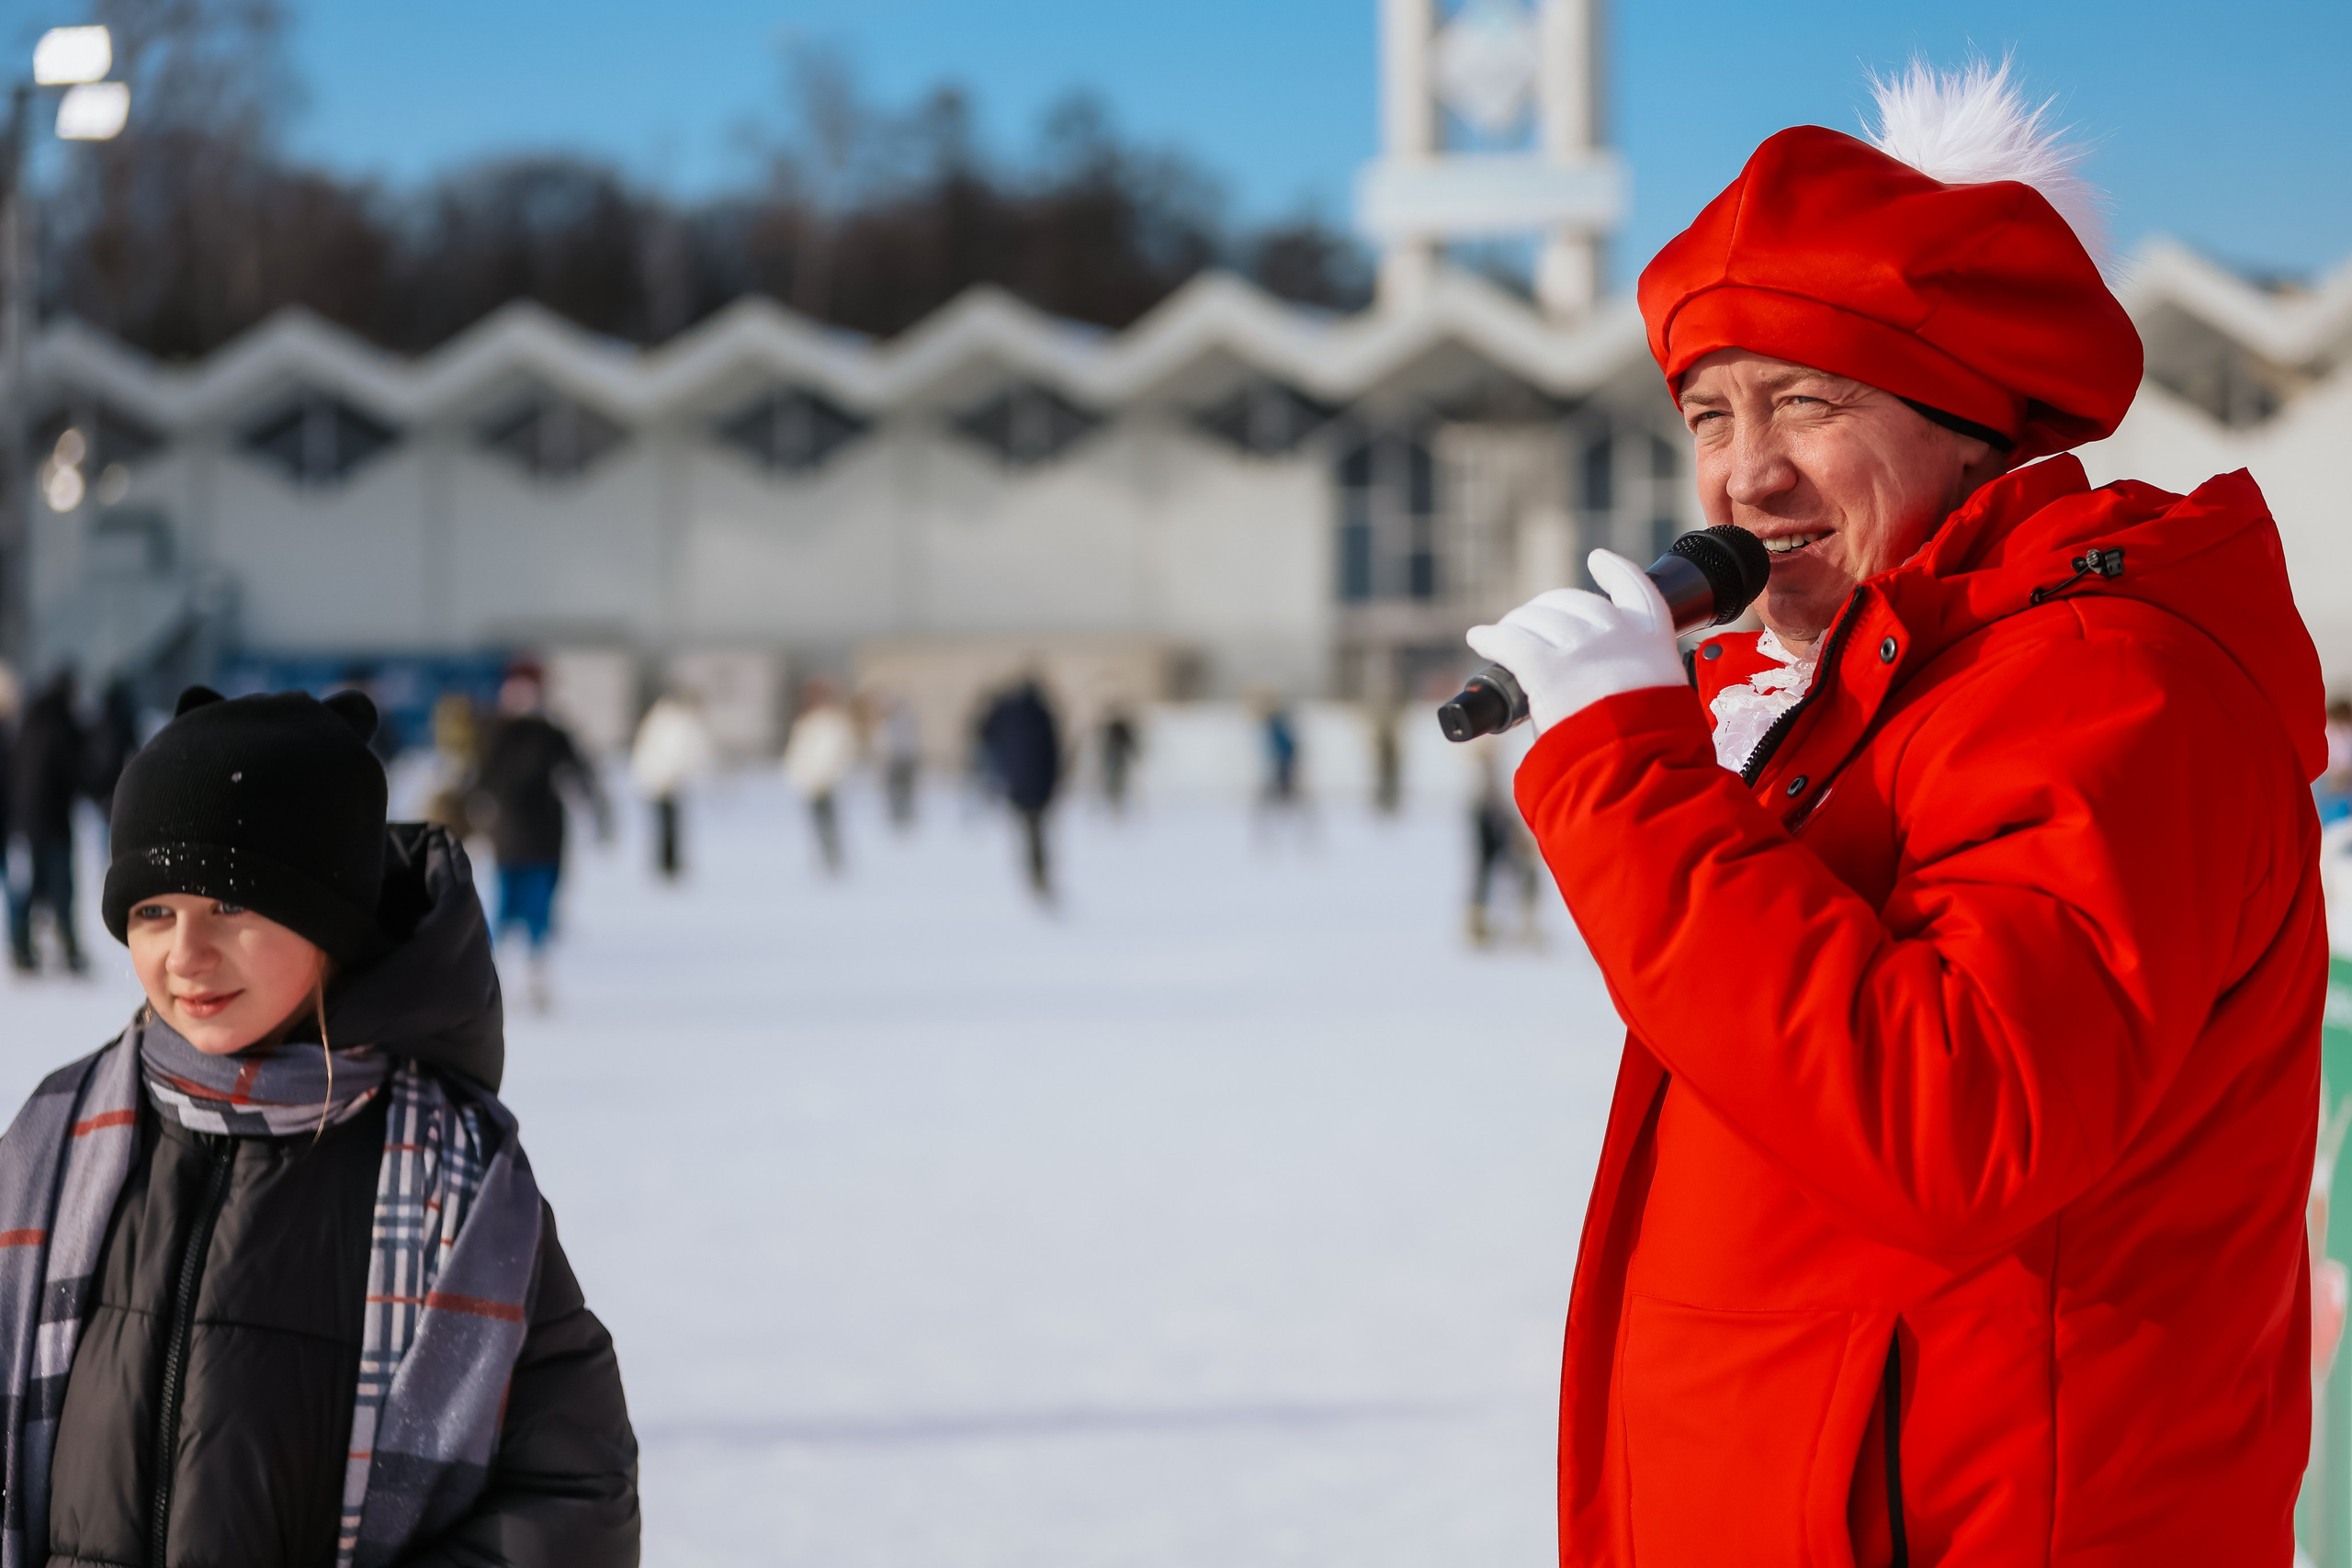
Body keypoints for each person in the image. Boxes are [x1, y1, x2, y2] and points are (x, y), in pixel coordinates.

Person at [1464, 64, 2324, 1562]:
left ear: (1975, 425)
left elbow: (1957, 1127)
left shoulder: (2100, 687)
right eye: (1709, 412)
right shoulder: (1843, 688)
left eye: (1810, 399)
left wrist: (1624, 776)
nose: (1746, 472)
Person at [0, 685, 639, 1566]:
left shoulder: (452, 1180)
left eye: (233, 905)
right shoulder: (55, 1145)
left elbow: (572, 1498)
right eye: (154, 911)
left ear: (329, 919)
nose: (185, 954)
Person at [472, 665, 605, 1011]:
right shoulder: (495, 733)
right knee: (502, 912)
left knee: (538, 916)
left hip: (542, 839)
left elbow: (580, 774)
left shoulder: (551, 735)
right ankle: (492, 981)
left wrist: (594, 808)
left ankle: (535, 978)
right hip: (509, 838)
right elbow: (479, 783)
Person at [8, 670, 89, 975]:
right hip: (53, 824)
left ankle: (20, 947)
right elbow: (73, 773)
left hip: (27, 823)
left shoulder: (29, 724)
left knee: (29, 888)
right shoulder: (60, 726)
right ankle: (68, 951)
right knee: (60, 889)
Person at [979, 679, 1061, 900]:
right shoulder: (1042, 715)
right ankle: (1037, 871)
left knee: (1027, 828)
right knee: (1035, 830)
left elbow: (986, 733)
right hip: (1038, 782)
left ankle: (1031, 870)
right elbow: (1053, 751)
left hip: (1017, 781)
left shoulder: (1009, 715)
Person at [630, 684, 716, 881]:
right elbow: (669, 752)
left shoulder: (661, 719)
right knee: (666, 824)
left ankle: (669, 863)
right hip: (660, 780)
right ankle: (666, 863)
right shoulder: (671, 722)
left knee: (670, 823)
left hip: (667, 780)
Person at [781, 678, 857, 874]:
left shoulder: (833, 724)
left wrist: (829, 776)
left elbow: (840, 754)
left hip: (827, 782)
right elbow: (798, 754)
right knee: (817, 823)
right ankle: (826, 859)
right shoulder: (807, 723)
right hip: (811, 783)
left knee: (828, 822)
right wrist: (799, 776)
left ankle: (834, 859)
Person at [878, 694, 922, 829]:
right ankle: (898, 817)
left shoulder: (907, 721)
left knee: (905, 790)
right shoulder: (889, 723)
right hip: (896, 760)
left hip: (905, 760)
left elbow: (913, 741)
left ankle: (907, 817)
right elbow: (884, 743)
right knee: (896, 791)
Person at [1099, 707, 1140, 816]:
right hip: (1113, 759)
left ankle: (1117, 804)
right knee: (1113, 782)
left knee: (1118, 782)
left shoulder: (1120, 728)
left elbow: (1130, 743)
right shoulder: (1111, 728)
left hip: (1119, 759)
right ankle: (1114, 804)